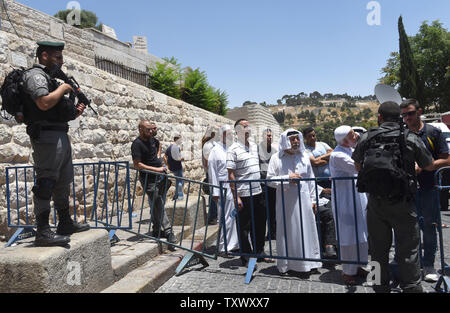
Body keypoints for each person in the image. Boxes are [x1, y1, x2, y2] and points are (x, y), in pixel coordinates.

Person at [353, 101, 437, 293]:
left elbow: (357, 165)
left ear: (380, 117)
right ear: (398, 117)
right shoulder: (409, 136)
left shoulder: (367, 136)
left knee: (377, 251)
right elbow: (428, 163)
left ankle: (378, 286)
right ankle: (412, 287)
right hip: (403, 203)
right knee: (409, 250)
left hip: (375, 204)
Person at [22, 41, 90, 247]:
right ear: (44, 56)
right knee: (47, 182)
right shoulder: (35, 75)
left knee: (62, 180)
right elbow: (43, 102)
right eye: (57, 57)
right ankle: (43, 231)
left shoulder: (51, 78)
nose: (61, 62)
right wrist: (64, 88)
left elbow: (60, 113)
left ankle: (65, 223)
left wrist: (78, 108)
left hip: (59, 133)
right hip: (46, 136)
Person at [400, 99, 450, 282]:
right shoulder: (401, 134)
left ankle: (428, 264)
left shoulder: (433, 132)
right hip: (406, 190)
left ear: (419, 111)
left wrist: (426, 166)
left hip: (428, 188)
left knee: (429, 228)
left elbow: (447, 159)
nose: (407, 118)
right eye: (403, 115)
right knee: (408, 230)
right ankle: (411, 265)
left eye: (410, 113)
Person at [267, 129, 322, 275]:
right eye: (292, 139)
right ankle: (288, 264)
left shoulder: (304, 156)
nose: (296, 142)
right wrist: (287, 177)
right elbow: (269, 180)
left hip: (304, 201)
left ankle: (309, 262)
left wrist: (313, 199)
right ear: (285, 141)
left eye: (297, 139)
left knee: (307, 229)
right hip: (286, 201)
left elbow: (311, 179)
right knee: (288, 231)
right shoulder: (276, 158)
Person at [227, 119, 271, 266]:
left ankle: (259, 252)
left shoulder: (253, 147)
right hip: (244, 194)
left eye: (248, 126)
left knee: (259, 224)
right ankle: (246, 256)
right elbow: (231, 174)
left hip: (258, 192)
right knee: (244, 227)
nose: (248, 128)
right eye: (245, 126)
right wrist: (236, 197)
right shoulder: (232, 149)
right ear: (238, 131)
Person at [330, 126, 369, 286]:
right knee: (349, 235)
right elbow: (358, 167)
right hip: (345, 200)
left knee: (361, 233)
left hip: (358, 197)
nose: (356, 137)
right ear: (343, 140)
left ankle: (358, 265)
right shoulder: (338, 154)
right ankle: (347, 271)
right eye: (352, 135)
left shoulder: (350, 151)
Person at [131, 121, 176, 243]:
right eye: (148, 129)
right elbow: (137, 164)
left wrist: (158, 159)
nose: (151, 132)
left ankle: (156, 229)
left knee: (157, 203)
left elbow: (158, 144)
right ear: (140, 129)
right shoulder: (137, 144)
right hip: (148, 179)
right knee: (157, 203)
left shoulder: (152, 140)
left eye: (152, 129)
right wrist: (157, 169)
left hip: (160, 177)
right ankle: (168, 230)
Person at [208, 125, 239, 255]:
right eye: (228, 134)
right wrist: (214, 191)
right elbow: (212, 171)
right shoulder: (215, 150)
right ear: (221, 136)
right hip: (222, 189)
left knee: (234, 216)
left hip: (233, 188)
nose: (231, 136)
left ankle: (235, 244)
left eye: (232, 134)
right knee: (224, 218)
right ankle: (224, 246)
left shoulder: (232, 148)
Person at [258, 129, 278, 240]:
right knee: (262, 210)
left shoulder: (275, 151)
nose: (269, 138)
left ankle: (272, 233)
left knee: (272, 209)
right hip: (261, 184)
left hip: (271, 185)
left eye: (270, 136)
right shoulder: (257, 150)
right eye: (267, 136)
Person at [202, 128, 219, 224]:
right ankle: (212, 217)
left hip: (213, 172)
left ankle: (214, 216)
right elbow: (208, 161)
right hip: (211, 173)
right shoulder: (208, 145)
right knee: (213, 193)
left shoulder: (210, 144)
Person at [165, 135, 185, 201]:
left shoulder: (169, 147)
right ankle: (178, 196)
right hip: (177, 167)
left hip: (172, 167)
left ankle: (177, 195)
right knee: (180, 182)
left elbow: (164, 157)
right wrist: (182, 158)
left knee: (178, 181)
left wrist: (168, 165)